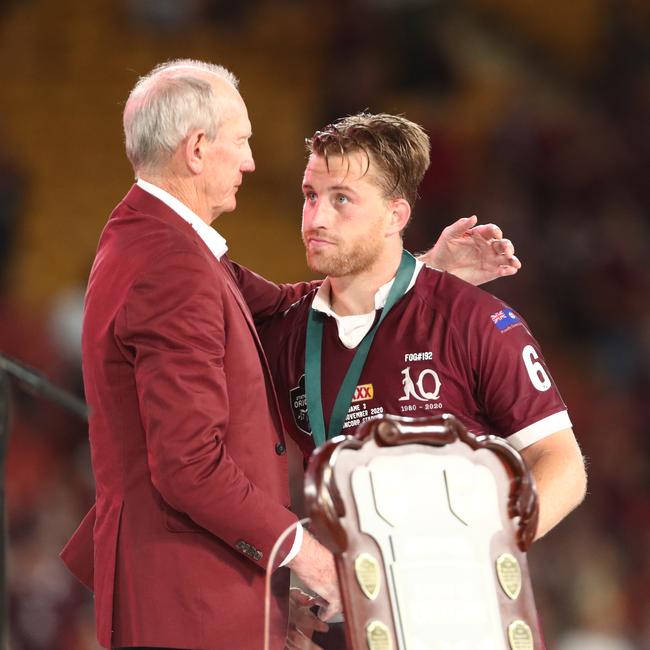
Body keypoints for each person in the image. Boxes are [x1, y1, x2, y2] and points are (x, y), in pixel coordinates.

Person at [59, 61, 521, 650]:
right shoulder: (172, 265)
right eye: (243, 141)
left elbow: (290, 308)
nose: (251, 162)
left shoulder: (151, 239)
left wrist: (420, 273)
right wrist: (307, 555)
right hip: (189, 600)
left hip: (198, 580)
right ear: (197, 149)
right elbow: (189, 466)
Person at [257, 113, 588, 647]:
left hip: (463, 619)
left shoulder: (473, 320)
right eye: (310, 195)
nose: (317, 216)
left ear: (395, 214)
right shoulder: (285, 333)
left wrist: (485, 551)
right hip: (345, 621)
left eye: (342, 198)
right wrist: (280, 587)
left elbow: (563, 465)